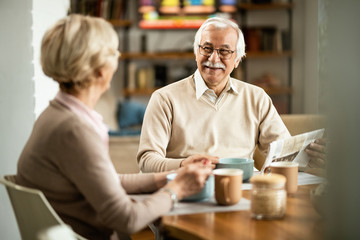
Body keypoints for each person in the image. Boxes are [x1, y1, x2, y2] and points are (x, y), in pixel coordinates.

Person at [16, 14, 213, 240]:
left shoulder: (57, 115)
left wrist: (170, 177)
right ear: (100, 69)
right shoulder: (74, 130)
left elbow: (108, 181)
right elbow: (127, 219)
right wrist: (177, 190)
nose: (117, 59)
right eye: (113, 53)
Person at [137, 17, 326, 173]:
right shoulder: (164, 99)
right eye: (207, 48)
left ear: (237, 60)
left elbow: (284, 154)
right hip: (185, 189)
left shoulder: (257, 97)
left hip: (244, 191)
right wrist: (183, 165)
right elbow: (147, 161)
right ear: (196, 52)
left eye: (224, 51)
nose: (213, 58)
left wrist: (314, 156)